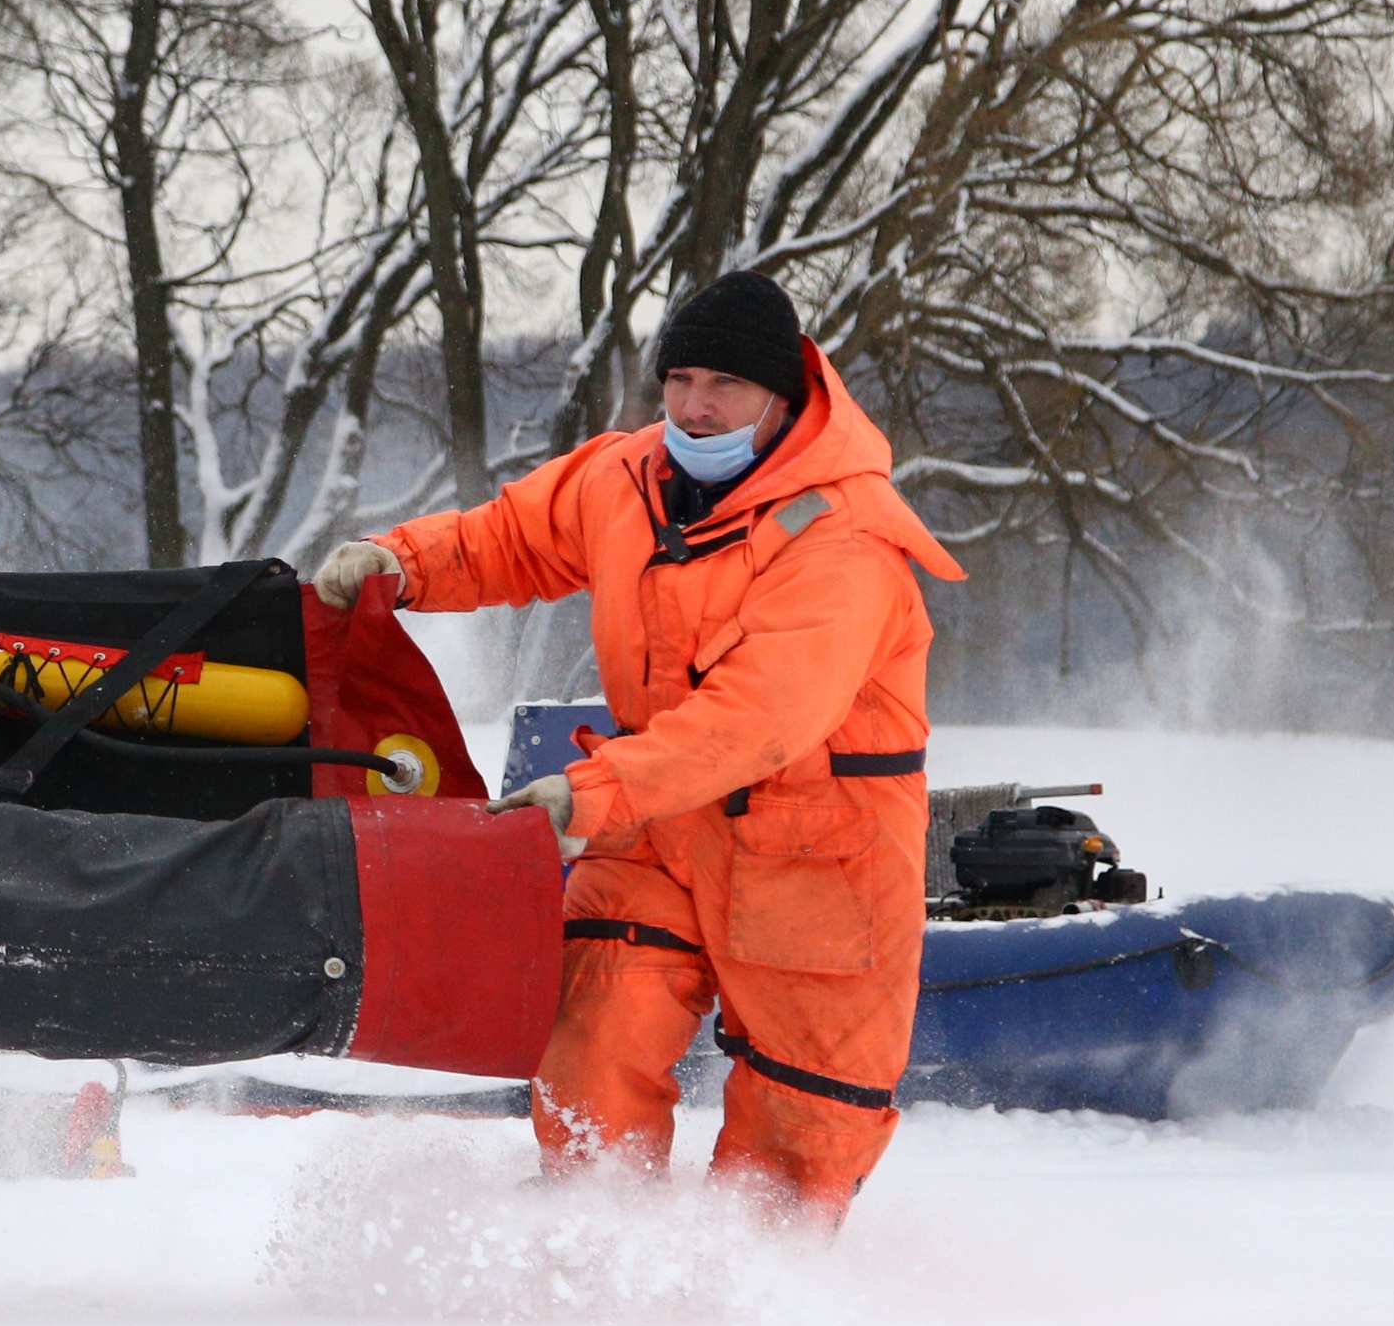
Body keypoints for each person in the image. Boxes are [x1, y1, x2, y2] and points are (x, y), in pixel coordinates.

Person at [315, 271, 964, 1227]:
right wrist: (402, 563)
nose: (698, 408)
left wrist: (589, 795)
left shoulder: (846, 538)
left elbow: (757, 718)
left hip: (818, 853)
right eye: (681, 378)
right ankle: (595, 1247)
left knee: (801, 1127)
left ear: (784, 397)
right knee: (591, 1031)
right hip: (659, 821)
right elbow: (511, 539)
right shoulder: (624, 478)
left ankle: (757, 1308)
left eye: (727, 386)